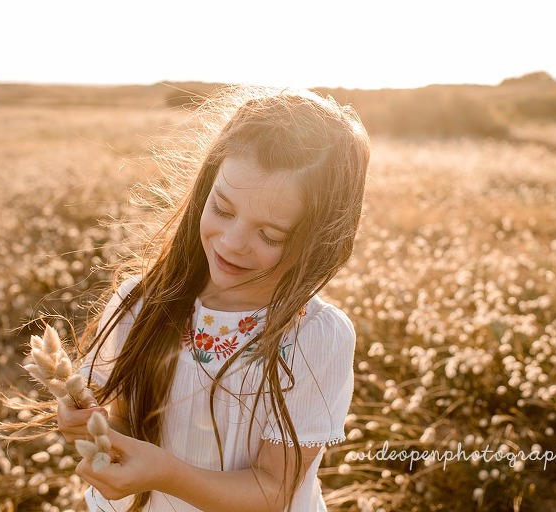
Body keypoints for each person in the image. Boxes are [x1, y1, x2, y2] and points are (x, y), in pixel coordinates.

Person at [57, 85, 370, 512]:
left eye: (269, 234)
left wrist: (166, 473)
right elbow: (124, 420)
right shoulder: (141, 303)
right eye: (222, 209)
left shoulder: (313, 337)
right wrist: (95, 430)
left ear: (318, 243)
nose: (232, 241)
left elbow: (274, 490)